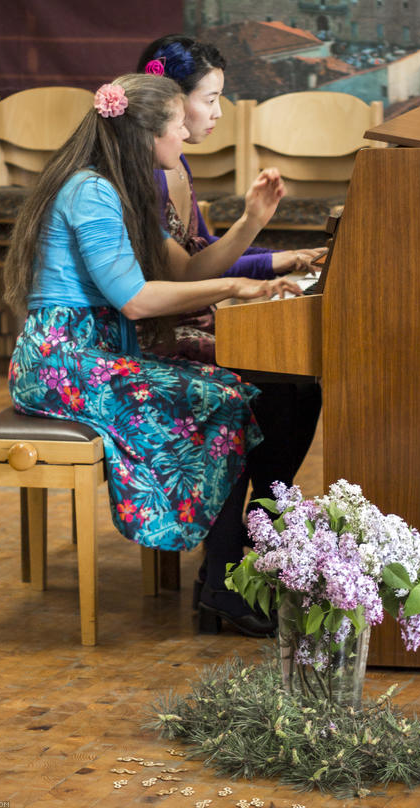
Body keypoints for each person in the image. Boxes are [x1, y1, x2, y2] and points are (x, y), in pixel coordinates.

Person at [3, 73, 301, 638]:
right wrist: (233, 289)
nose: (185, 138)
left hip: (91, 351)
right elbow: (136, 301)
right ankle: (224, 580)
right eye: (175, 128)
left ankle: (225, 576)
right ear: (144, 136)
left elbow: (170, 278)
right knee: (220, 397)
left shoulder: (115, 187)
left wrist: (247, 235)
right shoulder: (90, 191)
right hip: (59, 362)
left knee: (234, 391)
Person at [136, 36, 324, 556]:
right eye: (211, 98)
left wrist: (280, 258)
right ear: (171, 100)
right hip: (155, 330)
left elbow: (203, 248)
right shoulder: (145, 174)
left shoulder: (176, 163)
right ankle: (238, 556)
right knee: (274, 384)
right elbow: (189, 273)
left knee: (302, 385)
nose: (219, 113)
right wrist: (252, 223)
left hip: (187, 312)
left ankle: (262, 536)